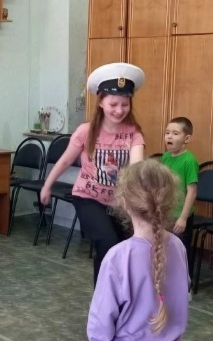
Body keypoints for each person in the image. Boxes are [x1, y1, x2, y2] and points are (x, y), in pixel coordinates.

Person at [82, 160, 189, 341]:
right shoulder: (178, 247)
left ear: (124, 202)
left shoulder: (118, 257)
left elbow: (101, 320)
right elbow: (182, 297)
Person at [40, 63, 145, 285]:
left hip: (119, 202)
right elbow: (66, 160)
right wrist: (47, 185)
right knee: (107, 241)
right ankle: (103, 297)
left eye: (125, 104)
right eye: (113, 104)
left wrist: (139, 201)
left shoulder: (133, 133)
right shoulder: (86, 131)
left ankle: (116, 295)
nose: (119, 110)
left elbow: (137, 168)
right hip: (88, 197)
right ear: (101, 102)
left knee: (123, 248)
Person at [161, 116, 198, 275]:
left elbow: (192, 191)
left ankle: (184, 284)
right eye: (167, 132)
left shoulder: (189, 161)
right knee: (164, 249)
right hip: (166, 213)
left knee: (180, 251)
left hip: (180, 215)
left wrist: (183, 218)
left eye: (175, 133)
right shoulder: (165, 157)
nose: (169, 136)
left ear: (186, 139)